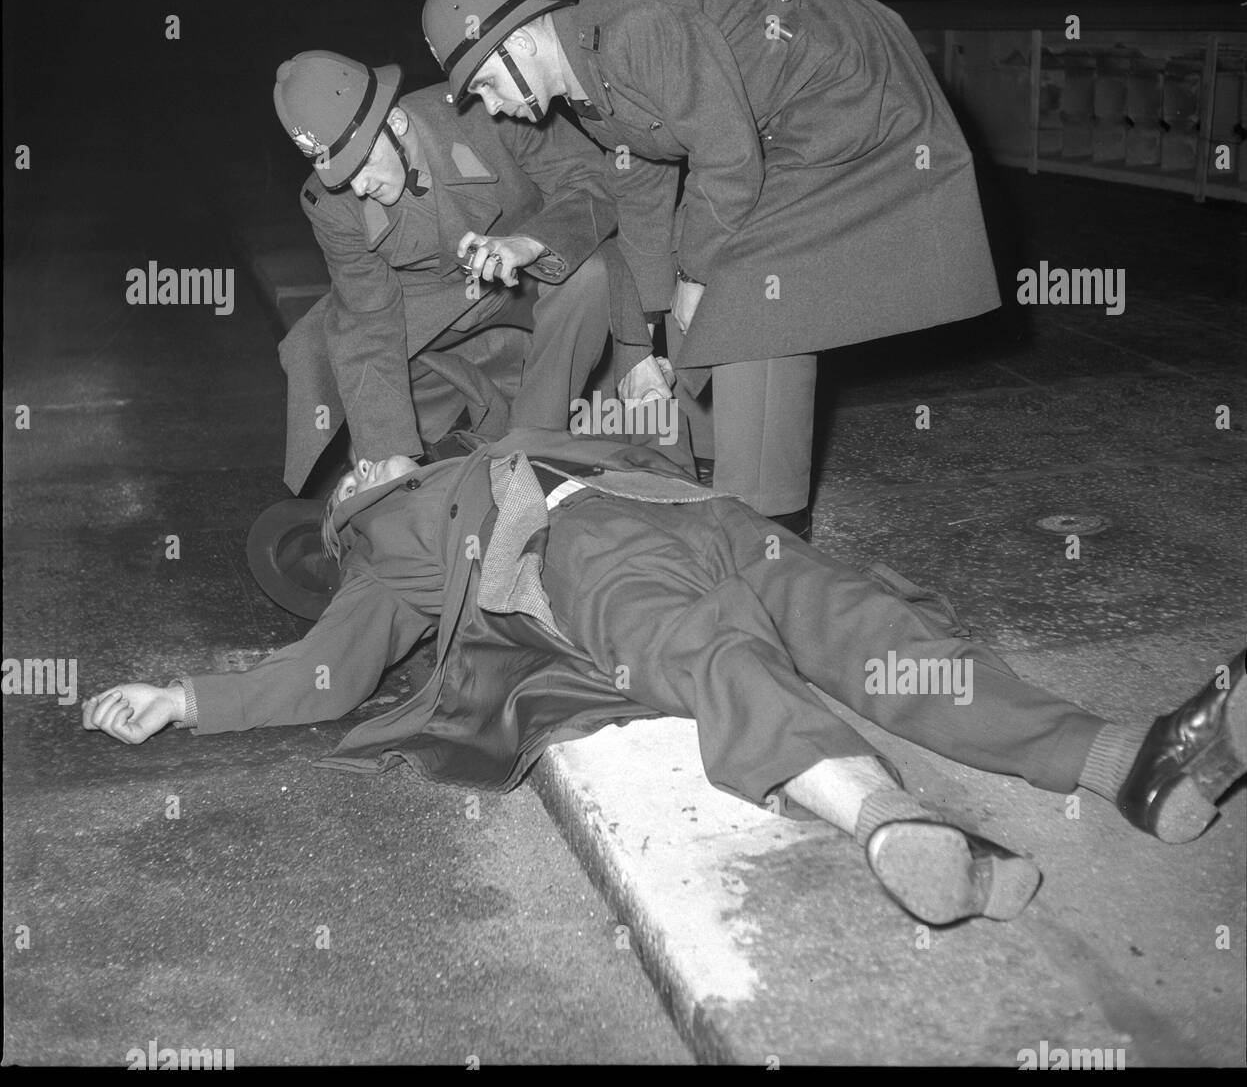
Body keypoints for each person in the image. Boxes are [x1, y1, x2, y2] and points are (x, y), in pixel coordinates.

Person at [82, 428, 1245, 928]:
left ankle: (1121, 758)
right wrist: (189, 696)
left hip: (692, 512)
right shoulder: (382, 548)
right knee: (710, 657)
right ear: (338, 516)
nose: (370, 458)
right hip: (576, 555)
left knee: (867, 627)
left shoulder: (480, 445)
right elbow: (328, 672)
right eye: (351, 476)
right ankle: (885, 818)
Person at [420, 0, 1003, 536]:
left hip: (843, 78)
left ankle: (770, 522)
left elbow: (726, 161)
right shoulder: (585, 80)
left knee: (753, 276)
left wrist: (698, 278)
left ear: (520, 42)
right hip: (782, 117)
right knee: (699, 256)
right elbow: (643, 196)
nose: (493, 107)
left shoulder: (633, 31)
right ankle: (707, 456)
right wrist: (647, 336)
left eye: (487, 85)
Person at [272, 50, 668, 496]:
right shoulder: (330, 204)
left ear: (397, 124)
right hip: (426, 312)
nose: (358, 187)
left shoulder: (490, 112)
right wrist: (390, 455)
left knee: (592, 273)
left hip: (528, 280)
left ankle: (528, 459)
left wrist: (527, 243)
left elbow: (594, 185)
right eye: (340, 178)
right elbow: (369, 320)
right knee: (329, 363)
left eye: (361, 164)